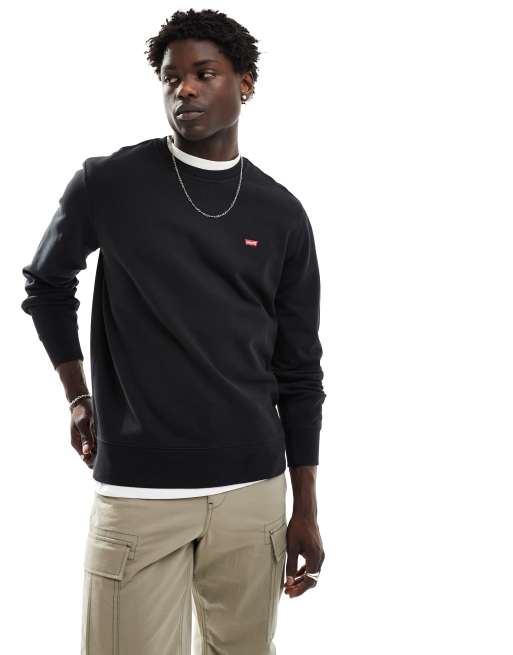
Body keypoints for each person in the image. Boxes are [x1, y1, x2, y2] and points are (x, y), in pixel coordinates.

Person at [20, 8, 326, 654]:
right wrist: (77, 395)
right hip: (139, 491)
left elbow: (299, 369)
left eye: (203, 73)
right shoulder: (110, 184)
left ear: (245, 84)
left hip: (251, 491)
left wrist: (305, 506)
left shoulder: (280, 213)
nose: (183, 88)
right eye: (170, 77)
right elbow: (46, 284)